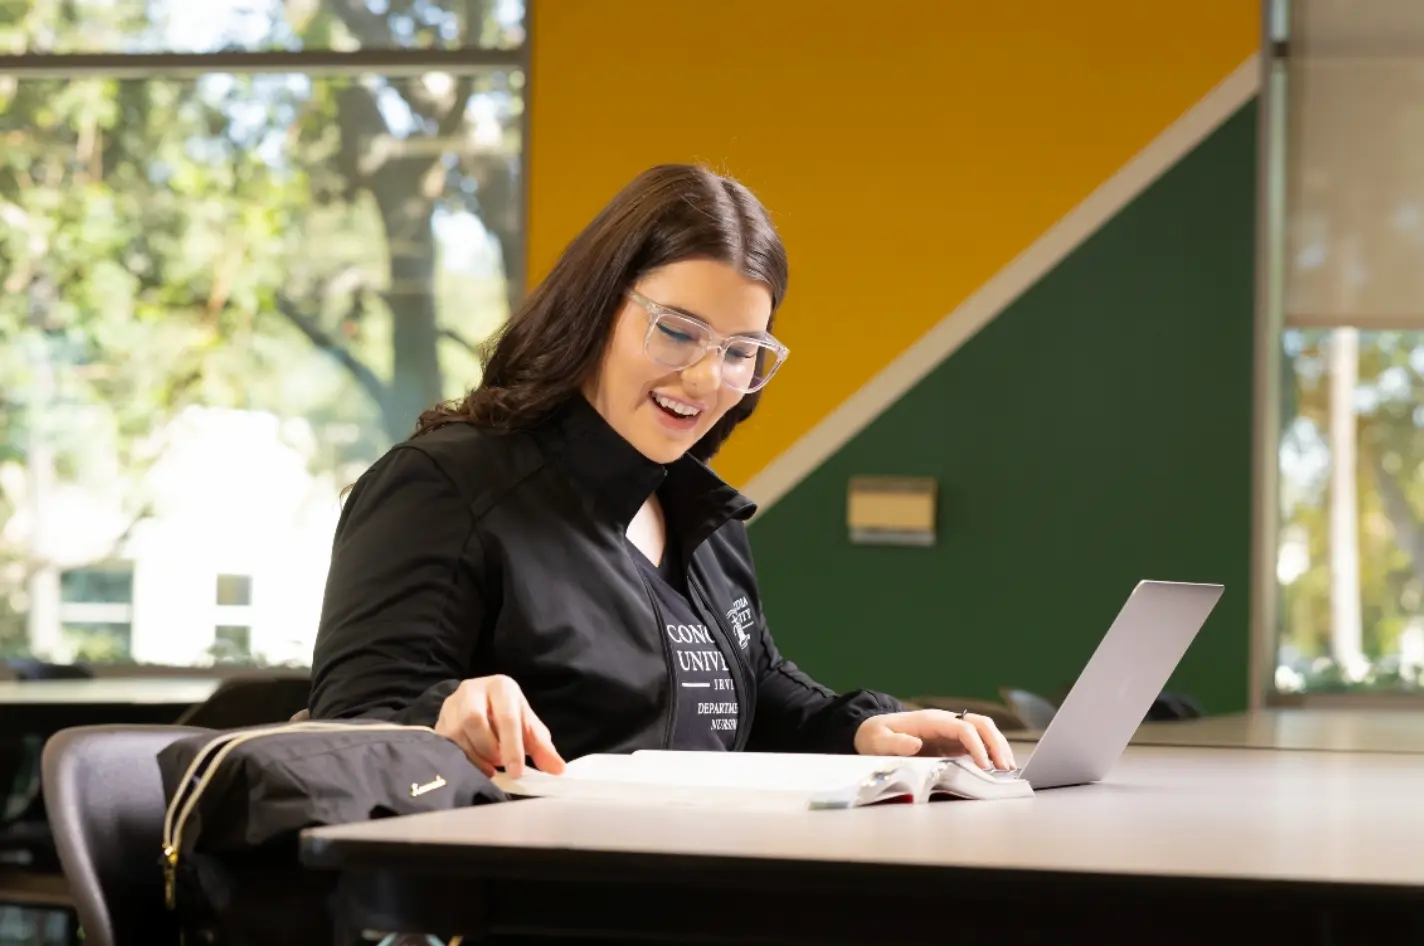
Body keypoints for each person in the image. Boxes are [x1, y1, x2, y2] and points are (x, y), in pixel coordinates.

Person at [308, 164, 1016, 779]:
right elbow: (348, 729)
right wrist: (444, 713)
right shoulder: (443, 487)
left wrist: (863, 729)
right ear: (595, 311)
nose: (706, 378)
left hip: (691, 874)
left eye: (740, 352)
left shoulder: (700, 514)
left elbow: (751, 687)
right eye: (676, 331)